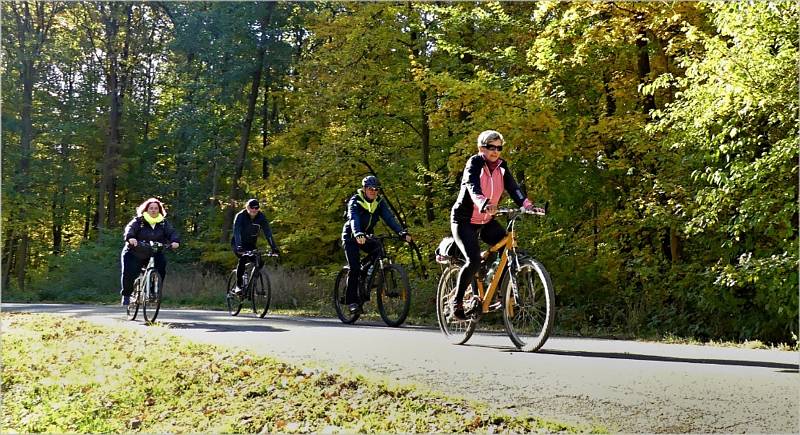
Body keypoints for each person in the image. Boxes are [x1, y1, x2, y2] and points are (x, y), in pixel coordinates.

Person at [449, 130, 544, 320]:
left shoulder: (502, 166)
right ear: (481, 147)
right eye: (491, 147)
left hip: (486, 220)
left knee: (506, 247)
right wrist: (483, 202)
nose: (495, 151)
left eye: (499, 148)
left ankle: (499, 290)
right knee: (473, 260)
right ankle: (457, 301)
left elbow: (513, 188)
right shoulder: (474, 163)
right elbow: (472, 185)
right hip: (464, 220)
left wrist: (527, 205)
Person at [342, 175, 412, 314]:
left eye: (376, 189)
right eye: (370, 189)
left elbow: (389, 218)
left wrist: (401, 233)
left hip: (366, 236)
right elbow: (353, 218)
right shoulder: (355, 200)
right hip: (351, 237)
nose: (373, 191)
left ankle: (367, 273)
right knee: (355, 268)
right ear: (364, 189)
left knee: (378, 249)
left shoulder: (379, 202)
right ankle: (352, 302)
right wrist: (357, 233)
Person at [120, 198, 180, 306]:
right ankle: (127, 295)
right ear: (146, 209)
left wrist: (175, 241)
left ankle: (153, 293)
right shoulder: (139, 221)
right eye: (151, 208)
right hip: (135, 251)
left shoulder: (163, 223)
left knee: (161, 267)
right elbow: (130, 229)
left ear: (159, 210)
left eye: (156, 208)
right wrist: (131, 238)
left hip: (154, 251)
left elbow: (171, 232)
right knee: (130, 273)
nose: (153, 210)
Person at [230, 198, 279, 294]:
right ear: (247, 207)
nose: (254, 210)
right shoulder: (240, 216)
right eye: (252, 208)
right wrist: (239, 247)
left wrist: (274, 248)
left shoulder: (261, 217)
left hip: (251, 244)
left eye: (257, 208)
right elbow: (237, 232)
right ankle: (238, 286)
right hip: (238, 242)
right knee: (243, 259)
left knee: (259, 262)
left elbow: (268, 233)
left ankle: (253, 283)